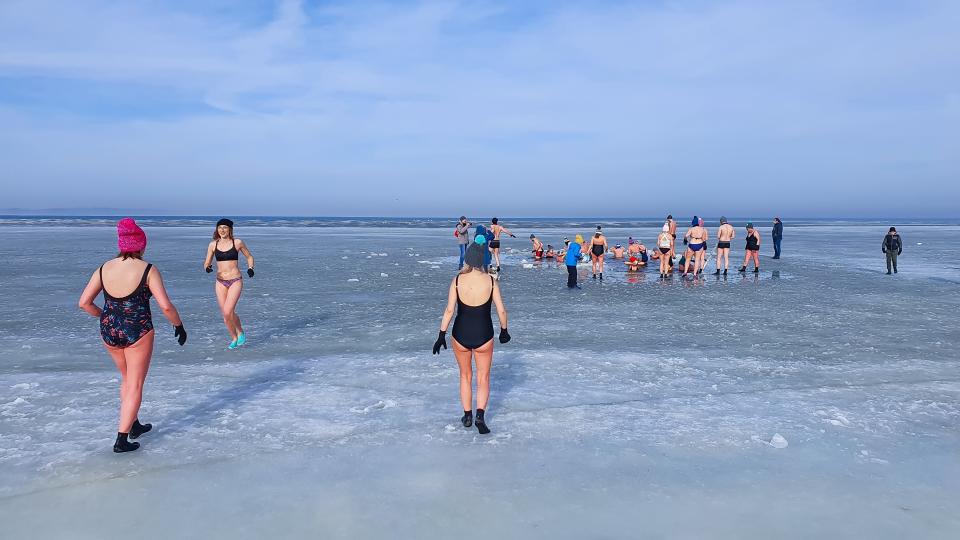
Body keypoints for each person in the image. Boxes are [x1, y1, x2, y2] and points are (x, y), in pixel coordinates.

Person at [78, 218, 186, 453]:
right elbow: (166, 306)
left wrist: (104, 316)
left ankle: (134, 423)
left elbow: (84, 303)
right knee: (135, 383)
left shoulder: (103, 268)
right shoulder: (148, 269)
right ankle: (122, 439)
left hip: (109, 330)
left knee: (127, 378)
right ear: (140, 245)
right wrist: (179, 326)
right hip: (137, 330)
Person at [432, 242, 510, 435]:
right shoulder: (491, 281)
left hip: (460, 334)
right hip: (484, 334)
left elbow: (450, 310)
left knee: (465, 376)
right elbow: (501, 309)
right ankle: (480, 416)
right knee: (483, 378)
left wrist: (441, 334)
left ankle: (467, 415)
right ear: (483, 260)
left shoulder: (457, 280)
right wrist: (504, 330)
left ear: (467, 259)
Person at [203, 218, 255, 349]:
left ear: (230, 229)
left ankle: (240, 331)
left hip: (235, 280)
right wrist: (207, 267)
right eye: (219, 227)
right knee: (227, 313)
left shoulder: (237, 242)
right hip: (220, 282)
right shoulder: (213, 245)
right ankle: (234, 337)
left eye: (225, 227)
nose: (222, 230)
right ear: (217, 229)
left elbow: (249, 256)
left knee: (227, 312)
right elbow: (207, 262)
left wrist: (250, 268)